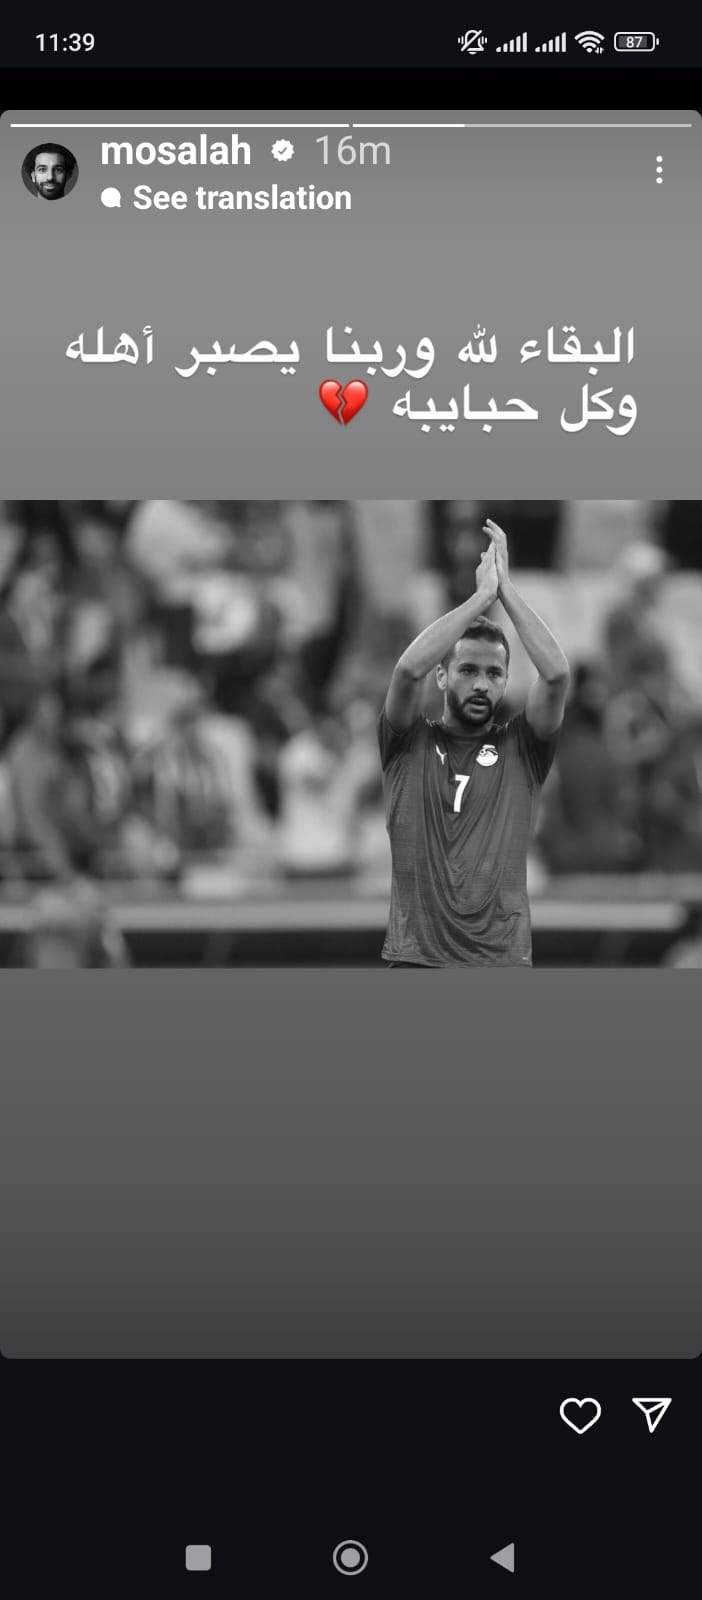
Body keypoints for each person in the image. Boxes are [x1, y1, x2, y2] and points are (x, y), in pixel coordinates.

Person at [377, 519, 570, 967]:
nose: (482, 684)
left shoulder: (522, 748)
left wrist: (506, 592)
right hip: (418, 963)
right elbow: (406, 671)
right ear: (442, 676)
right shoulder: (407, 741)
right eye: (467, 670)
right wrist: (480, 598)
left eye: (494, 673)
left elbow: (557, 675)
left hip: (499, 963)